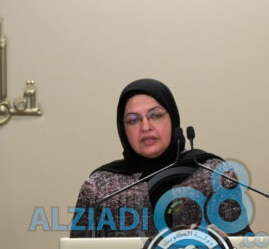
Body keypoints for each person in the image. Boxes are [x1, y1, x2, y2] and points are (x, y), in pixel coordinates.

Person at [69, 78, 251, 238]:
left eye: (155, 116)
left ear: (173, 119)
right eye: (133, 120)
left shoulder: (214, 175)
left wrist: (226, 244)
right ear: (123, 129)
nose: (145, 127)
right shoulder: (99, 189)